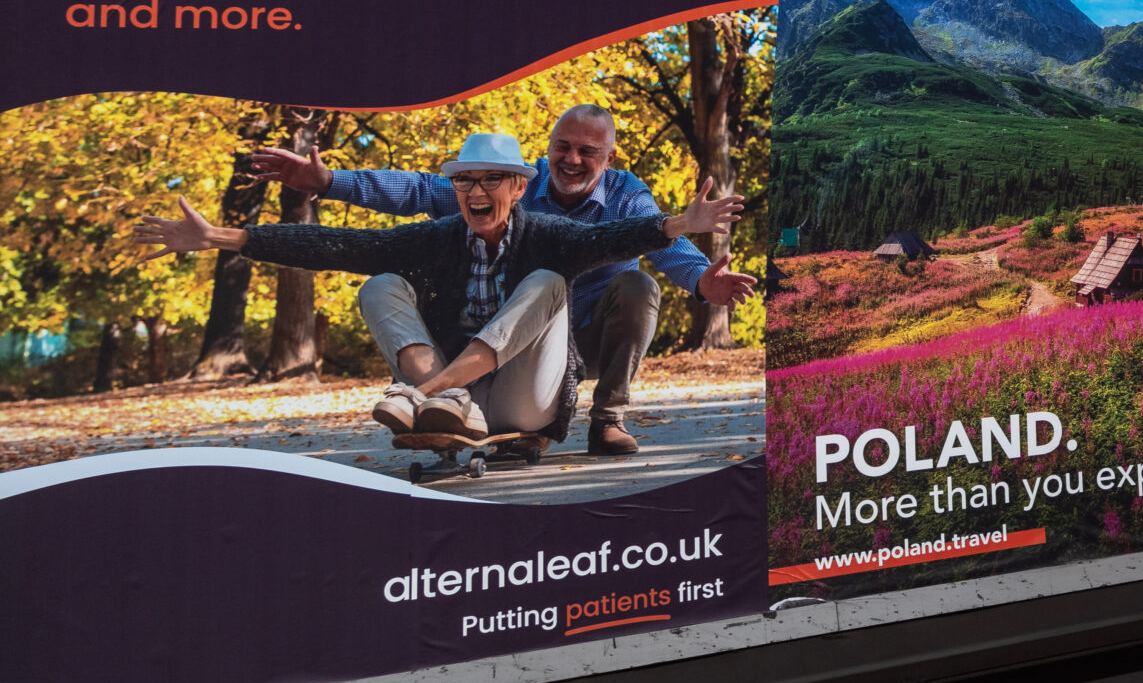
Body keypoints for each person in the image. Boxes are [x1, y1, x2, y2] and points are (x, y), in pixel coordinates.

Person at [140, 132, 744, 459]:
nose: (475, 192)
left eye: (490, 181)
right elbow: (336, 245)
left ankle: (421, 394)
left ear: (516, 185)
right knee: (379, 282)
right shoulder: (438, 237)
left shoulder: (550, 232)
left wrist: (675, 226)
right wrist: (222, 236)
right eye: (464, 182)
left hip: (527, 393)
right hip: (462, 400)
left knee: (546, 281)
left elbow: (617, 235)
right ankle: (444, 398)